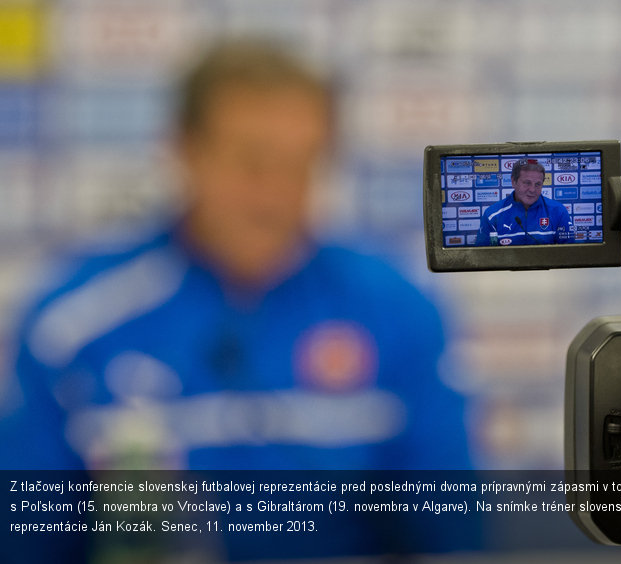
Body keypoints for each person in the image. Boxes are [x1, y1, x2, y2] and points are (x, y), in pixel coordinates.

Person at [0, 40, 471, 472]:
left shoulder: (396, 308)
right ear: (184, 150)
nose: (276, 193)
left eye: (301, 163)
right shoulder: (71, 325)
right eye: (252, 161)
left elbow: (451, 530)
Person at [475, 158, 574, 246]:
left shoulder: (558, 211)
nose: (532, 190)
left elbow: (569, 253)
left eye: (538, 184)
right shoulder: (492, 215)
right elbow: (483, 257)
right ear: (513, 182)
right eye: (527, 183)